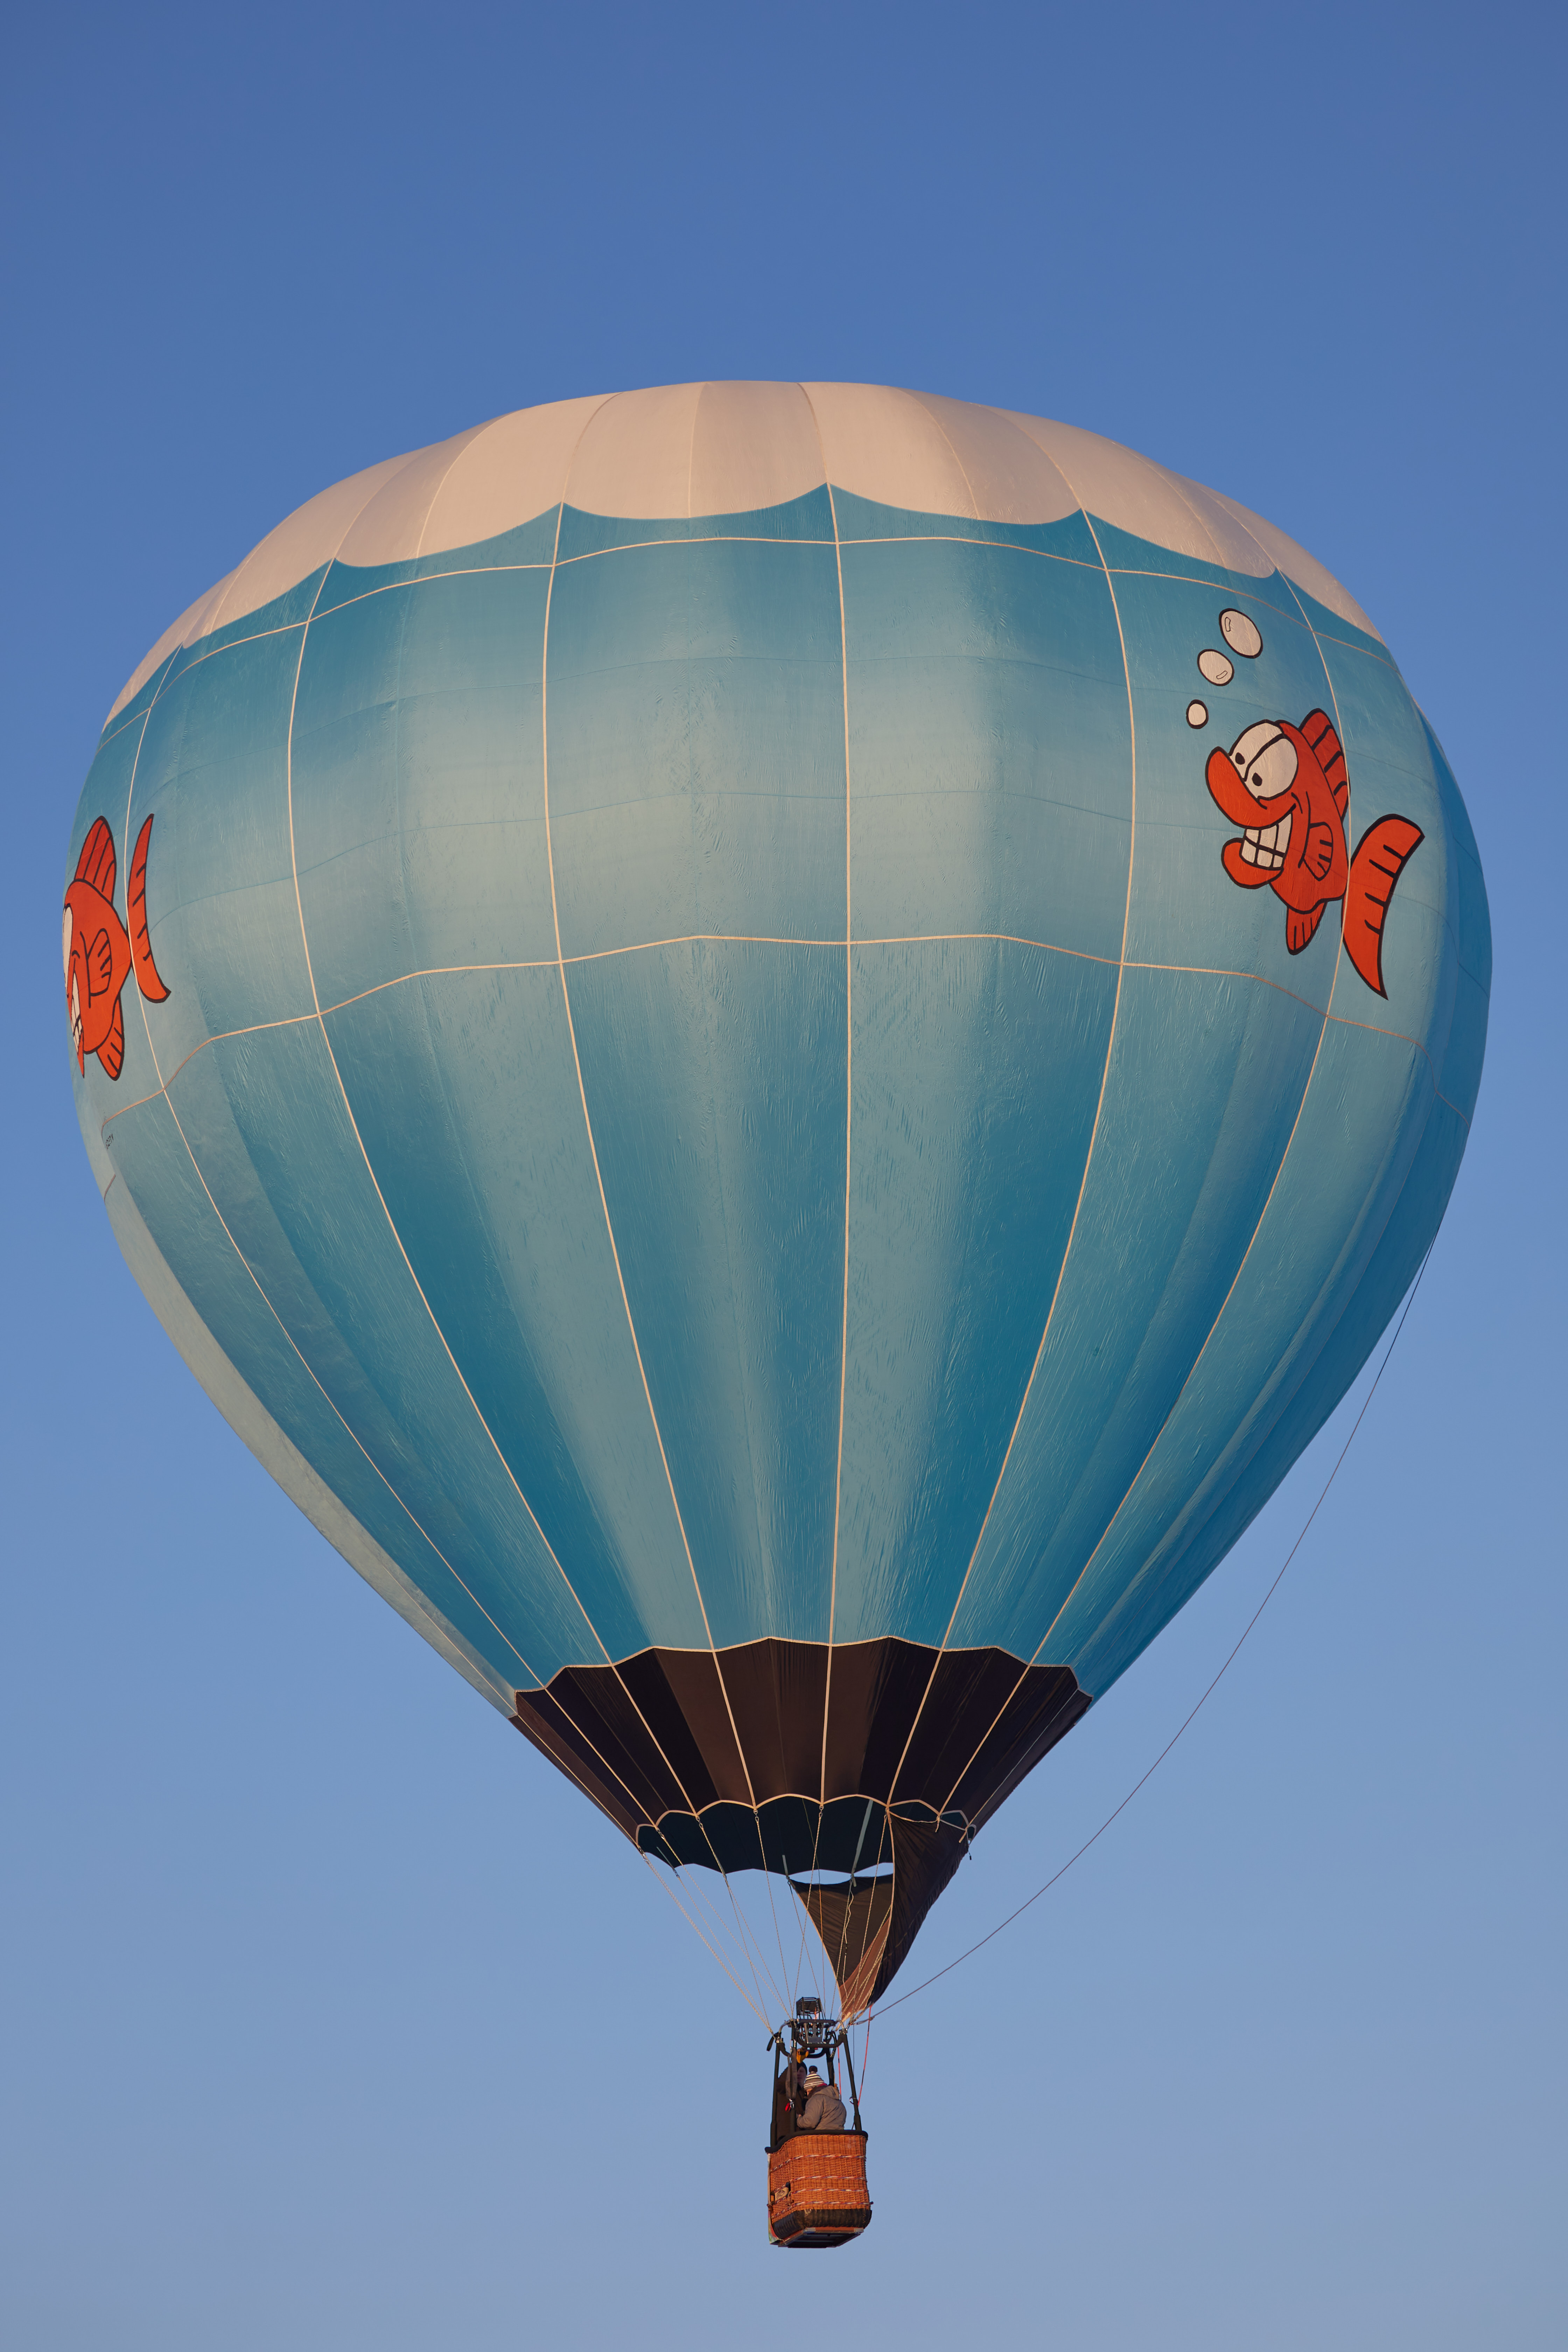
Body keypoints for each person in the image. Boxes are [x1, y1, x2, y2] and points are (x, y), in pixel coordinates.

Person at [794, 2060, 847, 2133]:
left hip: (821, 2139)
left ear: (814, 2088)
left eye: (808, 2091)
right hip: (838, 2140)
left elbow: (810, 2122)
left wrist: (798, 2120)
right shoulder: (839, 2102)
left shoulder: (816, 2099)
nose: (808, 2094)